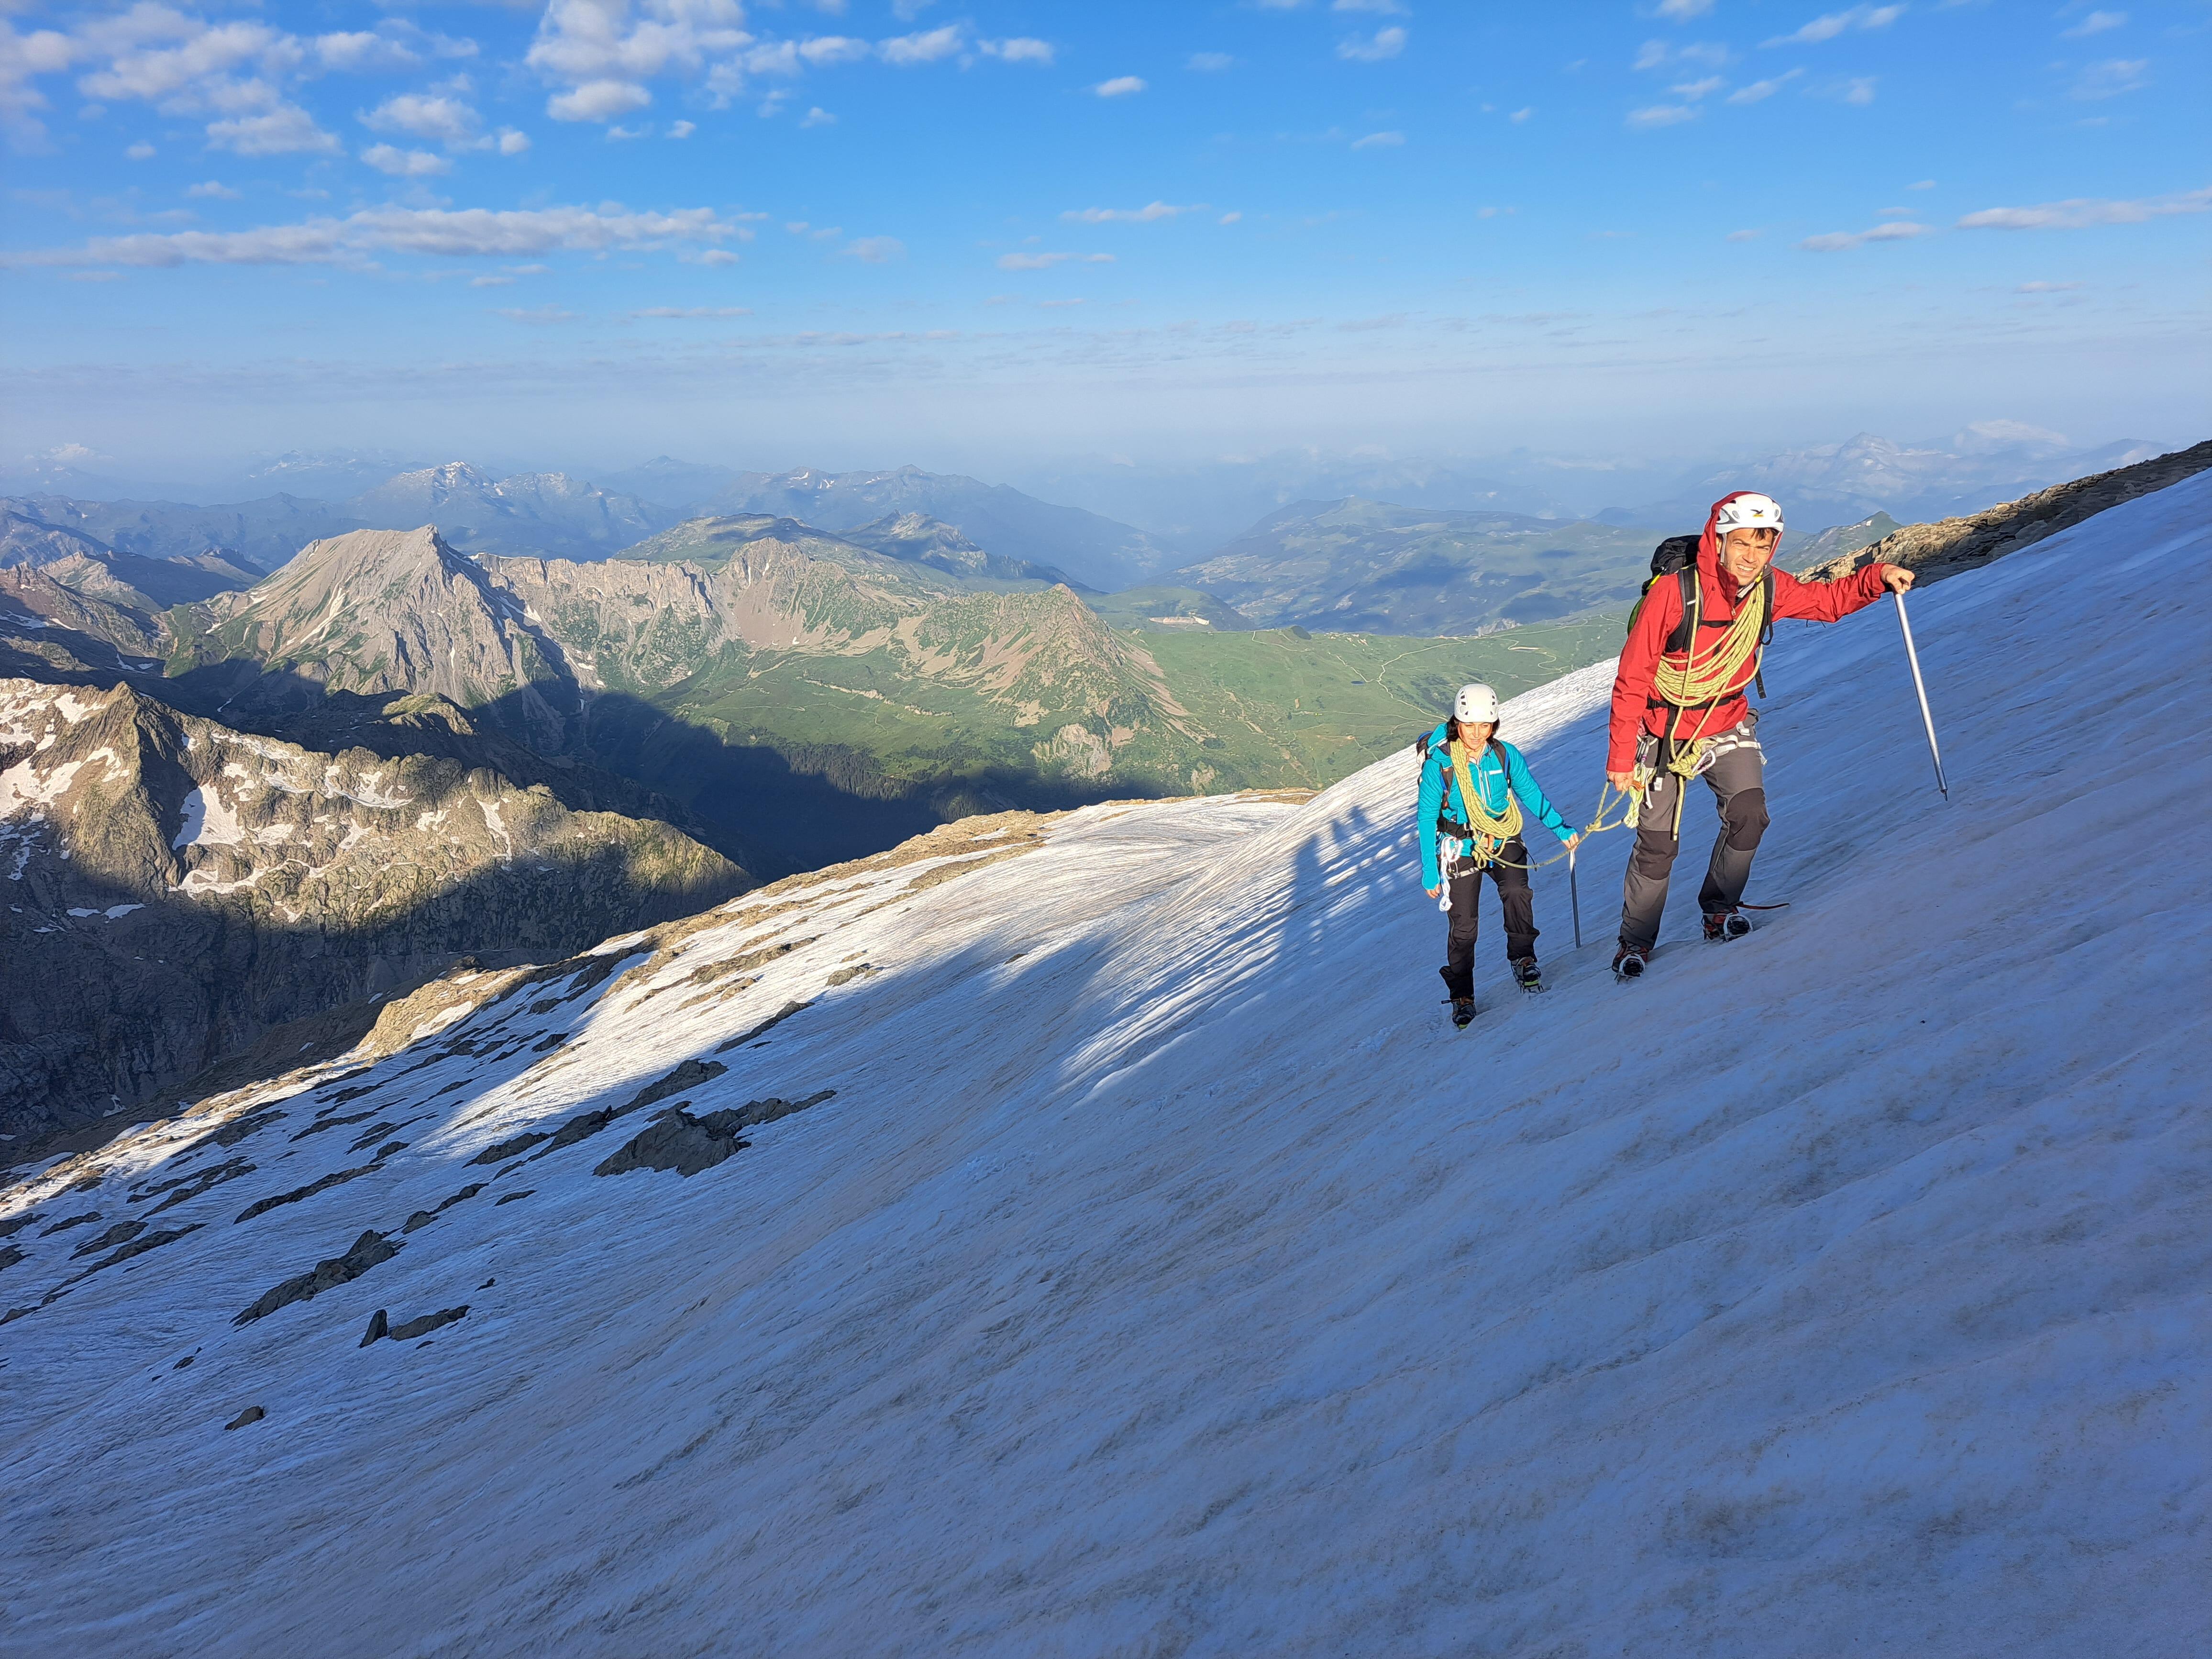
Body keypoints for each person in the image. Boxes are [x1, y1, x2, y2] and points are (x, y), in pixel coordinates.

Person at [1605, 490, 1915, 979]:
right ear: (1719, 540)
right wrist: (1622, 756)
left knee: (1749, 815)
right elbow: (1634, 675)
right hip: (1664, 731)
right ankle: (1635, 941)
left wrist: (1875, 578)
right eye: (1742, 543)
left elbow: (1826, 602)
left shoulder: (1767, 588)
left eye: (1763, 545)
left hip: (1727, 719)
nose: (1752, 557)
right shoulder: (1674, 594)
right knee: (1658, 844)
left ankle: (1719, 909)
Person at [1417, 682, 1582, 1027]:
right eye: (1469, 725)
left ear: (1494, 725)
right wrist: (1430, 870)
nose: (1477, 734)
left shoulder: (1505, 756)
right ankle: (1462, 995)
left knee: (1518, 892)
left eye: (1485, 725)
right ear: (1457, 723)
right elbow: (1427, 818)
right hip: (1460, 847)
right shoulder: (1440, 766)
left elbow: (1530, 794)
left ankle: (1523, 958)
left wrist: (1561, 829)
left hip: (1504, 836)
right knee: (1464, 926)